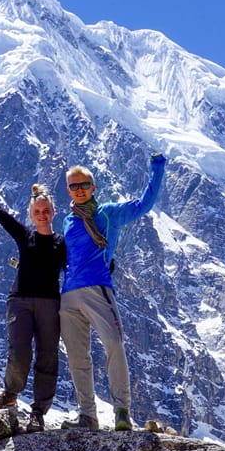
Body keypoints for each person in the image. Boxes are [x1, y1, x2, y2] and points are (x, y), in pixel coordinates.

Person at [59, 152, 167, 431]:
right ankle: (87, 415)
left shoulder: (110, 213)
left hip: (98, 288)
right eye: (73, 186)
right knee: (77, 356)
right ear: (68, 190)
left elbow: (145, 204)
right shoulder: (68, 221)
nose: (79, 190)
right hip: (68, 294)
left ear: (93, 187)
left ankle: (122, 411)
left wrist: (157, 168)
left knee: (114, 345)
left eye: (84, 185)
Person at [0, 168, 66, 433]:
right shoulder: (25, 235)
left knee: (48, 356)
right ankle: (10, 393)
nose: (42, 215)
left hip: (50, 305)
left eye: (46, 211)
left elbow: (79, 266)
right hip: (20, 301)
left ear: (53, 213)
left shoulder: (61, 243)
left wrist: (106, 264)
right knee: (19, 351)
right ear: (32, 215)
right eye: (37, 212)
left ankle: (38, 413)